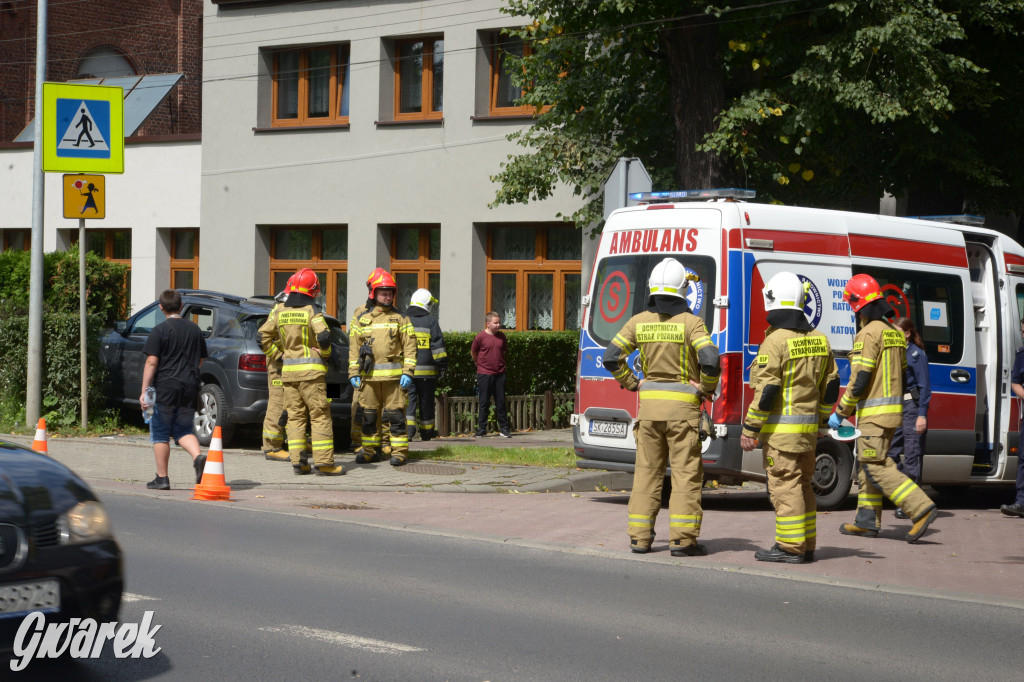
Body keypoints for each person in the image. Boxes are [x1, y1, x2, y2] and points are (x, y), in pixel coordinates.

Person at [602, 257, 720, 556]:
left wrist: (633, 383)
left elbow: (611, 357)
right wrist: (705, 389)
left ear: (652, 287)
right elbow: (710, 361)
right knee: (685, 477)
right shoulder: (692, 323)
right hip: (683, 416)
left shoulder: (637, 322)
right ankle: (682, 541)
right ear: (683, 289)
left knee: (646, 475)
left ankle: (640, 539)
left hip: (649, 414)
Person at [829, 274, 937, 542]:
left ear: (859, 306)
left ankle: (919, 508)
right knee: (867, 465)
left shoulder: (868, 334)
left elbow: (860, 379)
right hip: (893, 414)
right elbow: (901, 373)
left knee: (875, 465)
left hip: (874, 416)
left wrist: (840, 412)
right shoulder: (894, 334)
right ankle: (866, 521)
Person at [741, 272, 839, 563]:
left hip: (782, 436)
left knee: (785, 487)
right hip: (807, 434)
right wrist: (822, 423)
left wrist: (750, 429)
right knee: (804, 486)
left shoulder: (775, 342)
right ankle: (806, 545)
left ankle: (790, 546)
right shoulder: (820, 339)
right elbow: (831, 387)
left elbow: (768, 391)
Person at [259, 268, 343, 476]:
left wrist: (279, 356)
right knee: (319, 415)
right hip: (312, 375)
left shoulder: (279, 311)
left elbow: (262, 337)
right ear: (313, 290)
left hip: (288, 374)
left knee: (295, 417)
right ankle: (324, 463)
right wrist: (325, 353)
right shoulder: (311, 310)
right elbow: (323, 336)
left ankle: (299, 463)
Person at [140, 289, 209, 490]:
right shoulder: (195, 330)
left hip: (166, 387)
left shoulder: (159, 331)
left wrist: (144, 390)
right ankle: (197, 457)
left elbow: (151, 362)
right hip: (189, 387)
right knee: (183, 430)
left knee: (160, 433)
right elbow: (201, 359)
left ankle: (162, 478)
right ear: (181, 306)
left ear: (161, 307)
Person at [349, 270, 417, 466]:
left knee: (396, 417)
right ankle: (370, 451)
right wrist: (353, 373)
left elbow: (410, 348)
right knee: (369, 417)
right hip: (369, 379)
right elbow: (354, 348)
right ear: (374, 294)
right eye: (383, 293)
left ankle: (400, 452)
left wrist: (408, 372)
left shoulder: (401, 318)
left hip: (393, 380)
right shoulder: (362, 318)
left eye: (390, 293)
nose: (387, 297)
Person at [887, 316, 931, 518]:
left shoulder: (916, 354)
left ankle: (914, 504)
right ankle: (908, 495)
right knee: (889, 453)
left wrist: (922, 415)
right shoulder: (894, 352)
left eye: (896, 332)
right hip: (897, 407)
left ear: (907, 333)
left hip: (912, 408)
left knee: (912, 456)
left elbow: (925, 387)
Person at [349, 268, 392, 457]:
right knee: (361, 408)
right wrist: (354, 370)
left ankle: (384, 442)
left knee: (385, 409)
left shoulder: (392, 313)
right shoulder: (360, 312)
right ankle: (358, 442)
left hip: (385, 371)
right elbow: (353, 342)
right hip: (364, 370)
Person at [405, 288, 448, 441]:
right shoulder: (430, 321)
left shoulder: (403, 319)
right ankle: (427, 432)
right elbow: (438, 346)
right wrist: (442, 366)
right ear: (427, 304)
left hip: (407, 372)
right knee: (426, 403)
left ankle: (408, 432)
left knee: (408, 402)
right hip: (427, 374)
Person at [260, 280, 294, 462]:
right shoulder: (280, 309)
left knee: (292, 405)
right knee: (277, 405)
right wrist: (279, 356)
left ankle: (294, 442)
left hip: (294, 366)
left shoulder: (295, 308)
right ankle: (271, 446)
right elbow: (262, 337)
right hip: (279, 367)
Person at [472, 312, 511, 438]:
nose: (498, 325)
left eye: (499, 322)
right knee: (484, 402)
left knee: (501, 402)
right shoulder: (480, 337)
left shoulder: (502, 336)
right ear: (488, 324)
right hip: (485, 373)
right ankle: (482, 429)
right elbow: (474, 352)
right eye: (495, 323)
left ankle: (504, 428)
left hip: (500, 373)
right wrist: (479, 365)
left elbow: (504, 351)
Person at [1002, 320, 1024, 518]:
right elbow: (1015, 382)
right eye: (1022, 332)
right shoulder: (1022, 354)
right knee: (1023, 458)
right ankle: (1021, 502)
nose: (1023, 335)